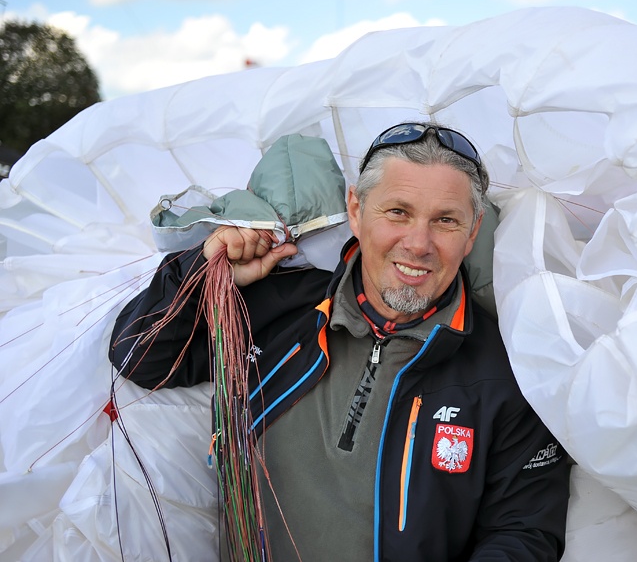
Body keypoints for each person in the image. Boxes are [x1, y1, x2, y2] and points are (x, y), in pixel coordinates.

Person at [109, 123, 571, 561]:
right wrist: (202, 274)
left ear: (472, 233)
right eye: (398, 212)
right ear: (355, 210)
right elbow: (142, 359)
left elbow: (524, 530)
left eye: (445, 220)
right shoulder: (284, 307)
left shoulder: (508, 372)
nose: (418, 243)